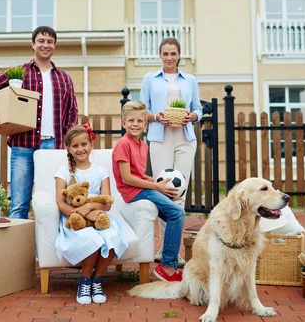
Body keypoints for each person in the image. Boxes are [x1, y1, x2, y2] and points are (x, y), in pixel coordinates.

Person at [0, 26, 78, 219]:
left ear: (54, 46)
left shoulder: (64, 78)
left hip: (54, 147)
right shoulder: (19, 73)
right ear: (33, 44)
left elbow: (72, 112)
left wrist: (69, 142)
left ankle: (45, 249)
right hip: (23, 146)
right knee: (19, 204)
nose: (45, 45)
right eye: (41, 41)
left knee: (51, 203)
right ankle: (19, 248)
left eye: (50, 42)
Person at [140, 37, 203, 266]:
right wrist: (157, 117)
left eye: (173, 54)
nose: (169, 58)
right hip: (160, 139)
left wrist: (192, 117)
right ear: (160, 55)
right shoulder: (150, 79)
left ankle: (173, 251)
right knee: (164, 192)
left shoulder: (190, 80)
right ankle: (165, 248)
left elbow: (198, 108)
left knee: (180, 193)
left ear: (179, 55)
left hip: (185, 140)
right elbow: (141, 110)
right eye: (165, 54)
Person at [55, 124, 129, 305]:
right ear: (69, 149)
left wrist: (88, 209)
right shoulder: (64, 172)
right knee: (91, 238)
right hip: (75, 220)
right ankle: (85, 281)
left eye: (84, 144)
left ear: (91, 145)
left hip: (99, 216)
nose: (80, 149)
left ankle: (97, 280)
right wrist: (80, 214)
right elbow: (60, 203)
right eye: (75, 146)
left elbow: (107, 202)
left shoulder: (101, 171)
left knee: (112, 236)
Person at [112, 100, 185, 282]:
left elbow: (139, 173)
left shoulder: (143, 145)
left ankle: (168, 261)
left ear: (146, 124)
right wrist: (157, 187)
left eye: (139, 121)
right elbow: (127, 178)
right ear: (123, 123)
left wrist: (154, 179)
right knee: (177, 212)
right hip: (132, 192)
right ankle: (167, 266)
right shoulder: (123, 144)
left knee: (174, 214)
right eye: (131, 121)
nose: (135, 124)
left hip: (141, 188)